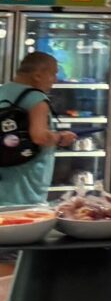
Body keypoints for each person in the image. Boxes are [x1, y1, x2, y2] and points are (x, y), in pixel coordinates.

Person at [0, 52, 70, 209]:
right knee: (22, 220)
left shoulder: (2, 91)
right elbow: (39, 137)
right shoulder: (36, 99)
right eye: (53, 74)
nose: (55, 80)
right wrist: (61, 137)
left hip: (3, 178)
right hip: (25, 185)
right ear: (38, 75)